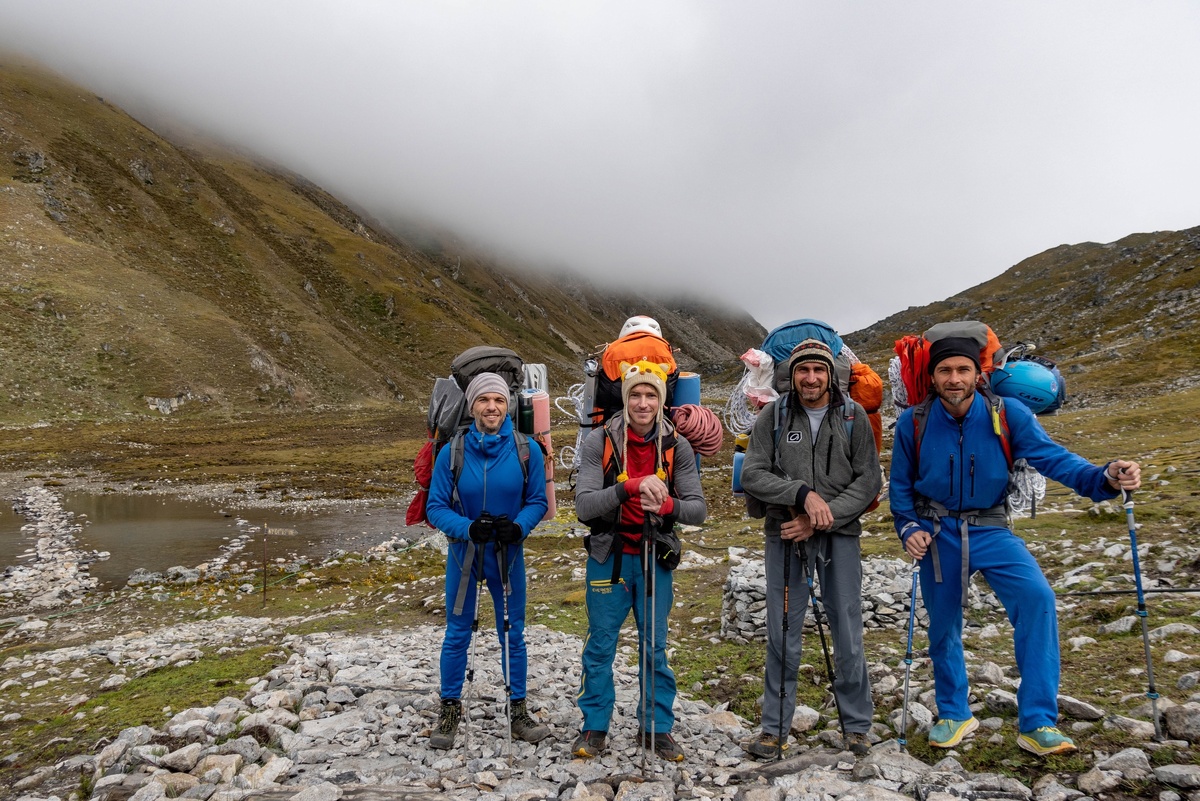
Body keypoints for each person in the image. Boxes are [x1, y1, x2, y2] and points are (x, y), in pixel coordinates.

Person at [890, 330, 1141, 756]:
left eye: (963, 370)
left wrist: (1104, 477)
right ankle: (954, 713)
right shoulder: (913, 421)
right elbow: (900, 488)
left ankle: (1038, 722)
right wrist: (908, 528)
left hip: (992, 529)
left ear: (977, 374)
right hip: (937, 532)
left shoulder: (1009, 415)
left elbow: (1054, 458)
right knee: (943, 623)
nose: (954, 378)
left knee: (1037, 599)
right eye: (945, 370)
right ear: (932, 377)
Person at [739, 339, 882, 759]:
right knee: (783, 632)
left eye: (819, 370)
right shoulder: (774, 414)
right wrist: (801, 494)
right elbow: (752, 473)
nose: (811, 378)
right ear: (793, 375)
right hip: (784, 533)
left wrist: (822, 515)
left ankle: (856, 727)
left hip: (839, 536)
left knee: (848, 631)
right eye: (804, 371)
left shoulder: (854, 416)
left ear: (830, 374)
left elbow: (868, 480)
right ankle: (774, 729)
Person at [573, 360, 707, 762]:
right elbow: (583, 505)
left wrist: (666, 503)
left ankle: (656, 728)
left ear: (661, 400)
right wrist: (628, 487)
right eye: (635, 394)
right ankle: (594, 727)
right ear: (626, 399)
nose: (643, 402)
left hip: (654, 558)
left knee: (655, 646)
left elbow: (697, 510)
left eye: (651, 394)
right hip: (609, 556)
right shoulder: (600, 441)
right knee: (600, 645)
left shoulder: (676, 445)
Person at [426, 371, 550, 750]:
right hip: (466, 556)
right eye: (483, 400)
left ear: (507, 404)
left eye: (498, 400)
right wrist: (467, 528)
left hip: (507, 555)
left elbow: (538, 502)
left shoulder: (526, 449)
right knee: (457, 632)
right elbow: (435, 507)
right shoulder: (453, 451)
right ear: (472, 406)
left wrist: (519, 527)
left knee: (513, 633)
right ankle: (449, 710)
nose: (491, 406)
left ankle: (518, 712)